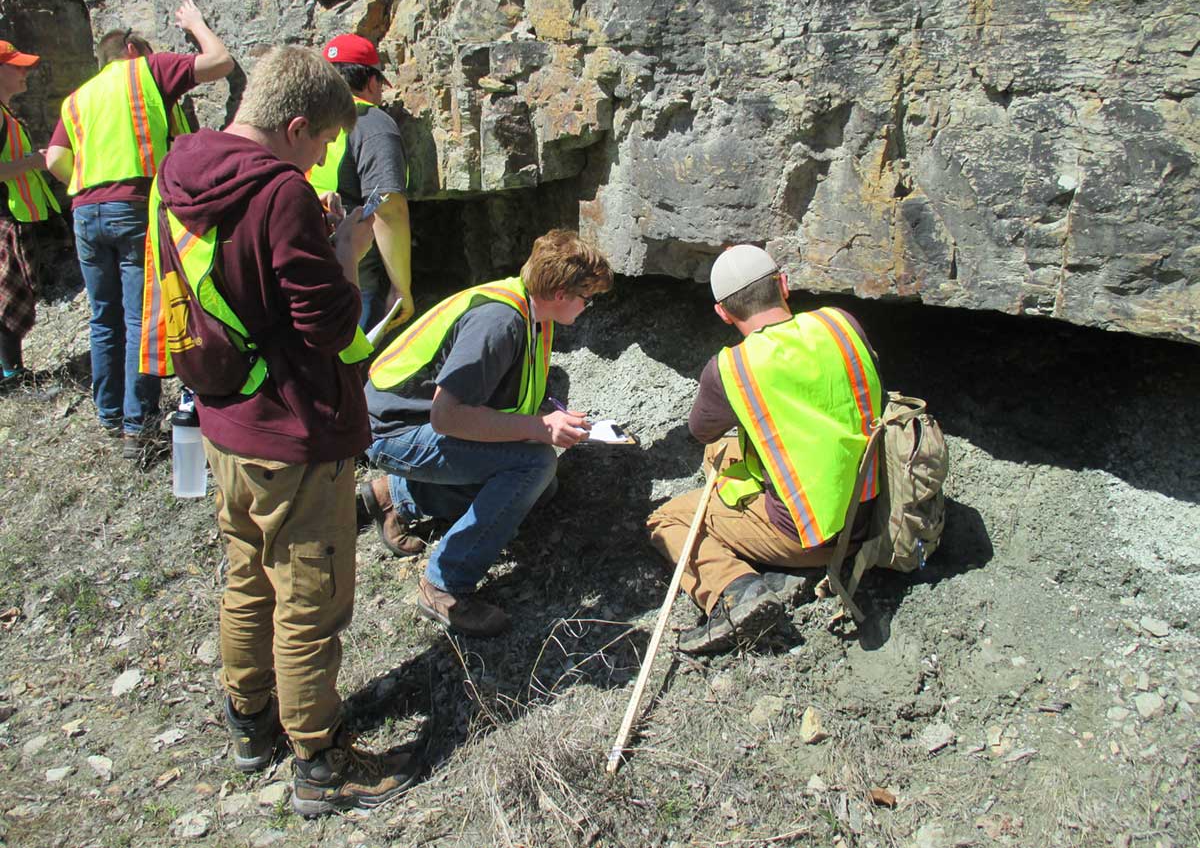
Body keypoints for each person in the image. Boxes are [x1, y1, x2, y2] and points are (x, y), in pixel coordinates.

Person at [150, 46, 418, 816]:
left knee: (246, 577)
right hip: (293, 432)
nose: (329, 155)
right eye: (325, 142)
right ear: (295, 126)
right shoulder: (282, 196)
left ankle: (249, 723)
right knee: (311, 601)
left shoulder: (179, 170)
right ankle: (322, 764)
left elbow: (233, 283)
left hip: (226, 416)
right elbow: (329, 325)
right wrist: (344, 250)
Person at [360, 229, 613, 637]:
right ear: (562, 292)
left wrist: (551, 414)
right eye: (586, 297)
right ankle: (445, 584)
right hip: (392, 430)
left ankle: (396, 495)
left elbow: (504, 393)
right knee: (533, 466)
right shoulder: (498, 324)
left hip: (418, 420)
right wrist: (538, 428)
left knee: (539, 487)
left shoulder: (532, 312)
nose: (588, 307)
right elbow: (447, 417)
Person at [646, 244, 883, 654]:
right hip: (874, 506)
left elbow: (701, 430)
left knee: (667, 520)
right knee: (728, 452)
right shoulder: (841, 323)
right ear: (784, 285)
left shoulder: (731, 368)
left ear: (723, 312)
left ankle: (739, 591)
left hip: (814, 536)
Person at [45, 0, 233, 458]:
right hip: (133, 205)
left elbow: (53, 160)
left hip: (85, 212)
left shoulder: (77, 98)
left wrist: (86, 186)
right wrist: (196, 24)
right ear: (130, 49)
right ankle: (138, 426)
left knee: (103, 316)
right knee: (140, 317)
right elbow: (220, 62)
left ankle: (109, 413)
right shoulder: (145, 70)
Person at [310, 33, 412, 332]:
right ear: (370, 82)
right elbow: (388, 208)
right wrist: (401, 289)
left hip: (305, 266)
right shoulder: (371, 122)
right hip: (354, 278)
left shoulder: (303, 120)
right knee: (356, 367)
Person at [0, 40, 60, 390]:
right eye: (16, 66)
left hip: (13, 216)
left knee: (12, 294)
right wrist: (34, 162)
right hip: (5, 216)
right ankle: (10, 374)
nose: (26, 73)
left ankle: (11, 369)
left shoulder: (6, 112)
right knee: (7, 298)